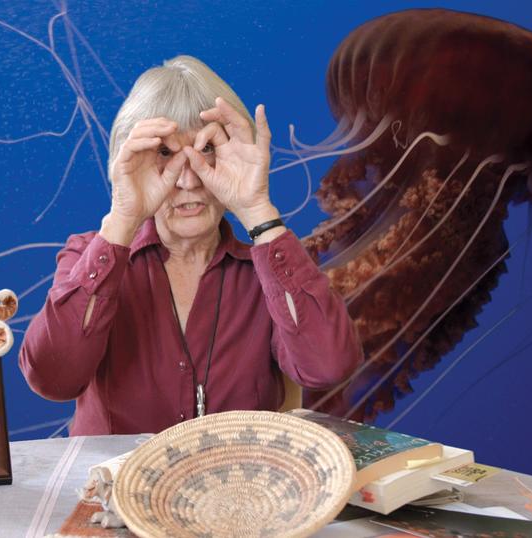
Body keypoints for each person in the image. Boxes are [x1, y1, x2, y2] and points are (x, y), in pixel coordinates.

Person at [19, 55, 363, 435]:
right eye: (164, 153)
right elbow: (52, 379)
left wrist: (256, 208)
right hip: (116, 492)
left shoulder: (271, 267)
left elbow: (329, 366)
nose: (188, 180)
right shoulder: (87, 255)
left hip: (239, 490)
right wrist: (123, 215)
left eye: (207, 150)